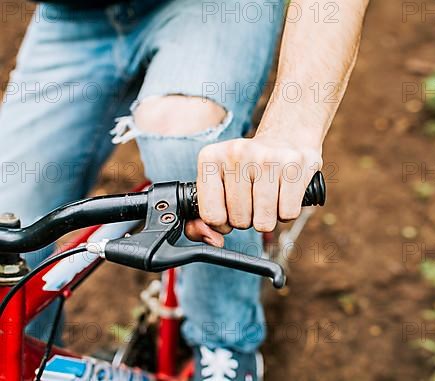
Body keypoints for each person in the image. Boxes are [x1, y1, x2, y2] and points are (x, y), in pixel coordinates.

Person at [0, 0, 368, 379]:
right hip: (72, 17)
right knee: (9, 227)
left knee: (181, 136)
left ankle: (224, 343)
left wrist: (289, 132)